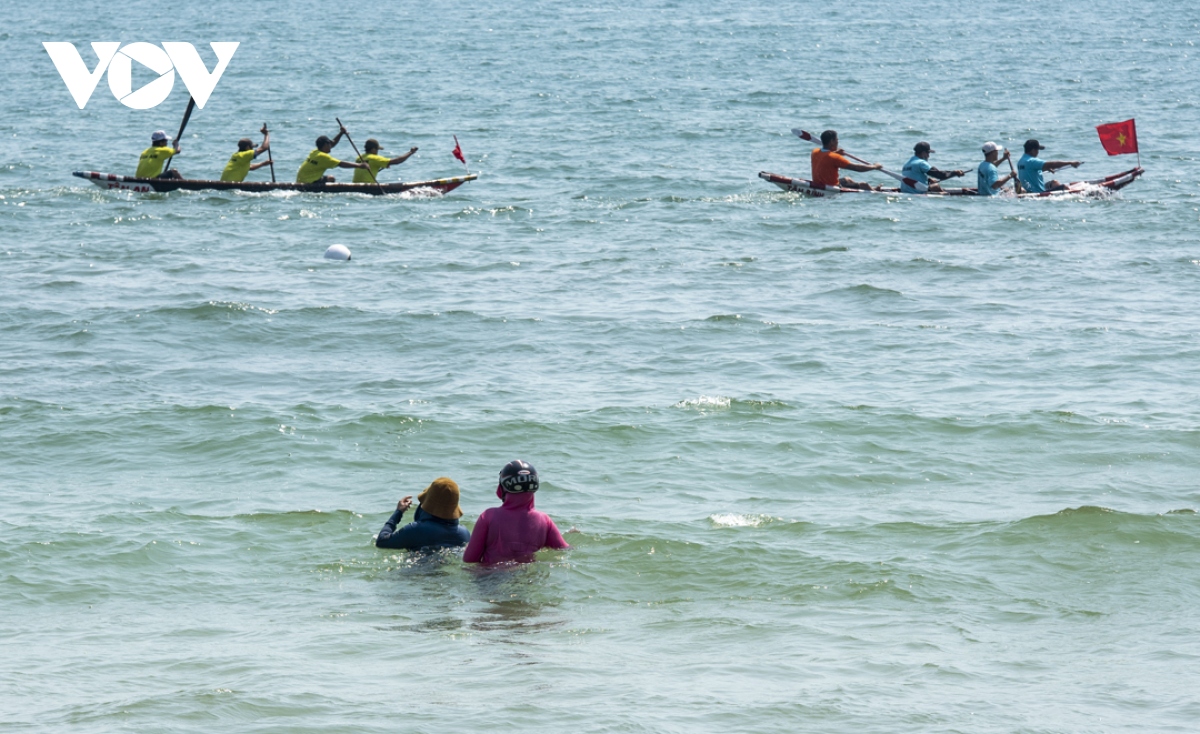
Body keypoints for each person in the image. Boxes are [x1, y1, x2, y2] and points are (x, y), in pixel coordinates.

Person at [463, 460, 570, 565]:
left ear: (503, 487)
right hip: (528, 578)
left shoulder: (488, 516)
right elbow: (565, 550)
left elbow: (469, 559)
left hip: (491, 577)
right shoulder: (544, 520)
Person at [375, 477, 471, 550]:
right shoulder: (464, 534)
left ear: (428, 502)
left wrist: (398, 512)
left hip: (414, 572)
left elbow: (381, 541)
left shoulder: (416, 530)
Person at [810, 129, 884, 191]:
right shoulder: (835, 157)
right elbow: (857, 168)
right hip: (832, 187)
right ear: (831, 142)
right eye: (836, 140)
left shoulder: (815, 151)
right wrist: (874, 166)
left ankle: (869, 188)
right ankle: (873, 191)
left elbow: (826, 157)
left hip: (819, 183)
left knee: (847, 179)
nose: (837, 142)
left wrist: (835, 152)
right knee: (864, 185)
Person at [295, 126, 368, 184]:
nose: (331, 145)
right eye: (329, 144)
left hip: (300, 181)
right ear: (325, 145)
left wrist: (341, 133)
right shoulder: (323, 157)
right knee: (331, 178)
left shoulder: (314, 152)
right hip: (310, 183)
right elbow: (341, 164)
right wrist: (360, 166)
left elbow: (332, 143)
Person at [1017, 139, 1081, 194]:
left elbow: (1030, 171)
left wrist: (1045, 168)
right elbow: (1051, 164)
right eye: (1037, 150)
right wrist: (1070, 163)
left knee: (1054, 182)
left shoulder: (1021, 161)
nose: (1038, 152)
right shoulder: (1032, 161)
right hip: (1037, 192)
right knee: (1064, 187)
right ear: (1033, 150)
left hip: (1029, 189)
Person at [900, 142, 965, 194]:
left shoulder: (906, 164)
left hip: (906, 193)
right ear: (923, 153)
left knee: (933, 184)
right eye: (928, 153)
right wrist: (955, 173)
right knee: (936, 186)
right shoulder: (921, 163)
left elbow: (913, 177)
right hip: (918, 194)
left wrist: (928, 180)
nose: (928, 156)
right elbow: (940, 175)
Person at [353, 138, 418, 184]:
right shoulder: (375, 158)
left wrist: (383, 165)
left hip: (354, 185)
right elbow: (398, 160)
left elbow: (370, 166)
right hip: (367, 187)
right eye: (377, 150)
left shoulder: (359, 158)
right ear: (373, 149)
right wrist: (410, 152)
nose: (377, 152)